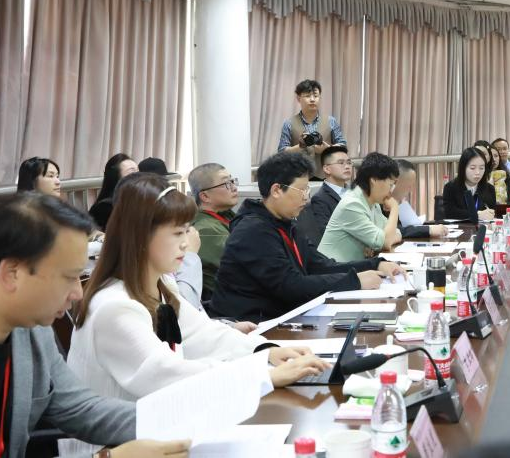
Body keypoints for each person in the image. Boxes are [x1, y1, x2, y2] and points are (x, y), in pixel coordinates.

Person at [63, 175, 327, 454]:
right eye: (177, 233)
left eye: (187, 231)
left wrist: (265, 351)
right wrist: (261, 374)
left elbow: (203, 334)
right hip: (113, 449)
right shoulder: (114, 307)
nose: (186, 244)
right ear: (140, 236)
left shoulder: (161, 285)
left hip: (158, 432)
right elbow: (165, 375)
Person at [0, 193, 190, 457]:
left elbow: (81, 407)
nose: (78, 293)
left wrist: (180, 419)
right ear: (12, 273)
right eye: (70, 277)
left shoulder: (30, 327)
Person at [210, 153, 403, 321]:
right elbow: (290, 286)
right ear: (276, 190)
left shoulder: (286, 224)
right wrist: (354, 281)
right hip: (253, 326)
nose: (306, 197)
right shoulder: (253, 231)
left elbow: (320, 265)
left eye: (307, 190)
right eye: (301, 190)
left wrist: (375, 264)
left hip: (283, 317)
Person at [318, 153, 404, 263]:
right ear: (374, 180)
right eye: (390, 185)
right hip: (334, 269)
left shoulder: (373, 202)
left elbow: (394, 233)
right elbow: (386, 241)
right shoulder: (352, 204)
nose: (391, 191)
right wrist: (395, 208)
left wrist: (384, 240)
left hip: (353, 266)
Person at [187, 162, 239, 299]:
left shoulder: (225, 216)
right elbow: (243, 268)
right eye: (226, 183)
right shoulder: (206, 230)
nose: (234, 187)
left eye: (232, 181)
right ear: (205, 196)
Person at [277, 79, 346, 178]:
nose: (312, 99)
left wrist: (327, 149)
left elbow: (343, 146)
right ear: (298, 98)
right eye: (308, 96)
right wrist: (300, 146)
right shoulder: (289, 123)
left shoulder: (331, 121)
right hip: (298, 177)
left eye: (316, 96)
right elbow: (281, 153)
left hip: (327, 176)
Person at [296, 145, 352, 248]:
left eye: (349, 162)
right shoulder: (320, 199)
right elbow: (327, 236)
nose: (347, 166)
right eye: (341, 163)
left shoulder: (355, 193)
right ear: (326, 169)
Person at [392, 159, 448, 239]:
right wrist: (428, 230)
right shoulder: (380, 203)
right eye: (409, 185)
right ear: (395, 182)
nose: (410, 190)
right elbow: (395, 231)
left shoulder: (392, 202)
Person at [442, 148, 497, 222]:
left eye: (481, 168)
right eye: (472, 168)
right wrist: (476, 214)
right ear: (463, 168)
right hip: (459, 227)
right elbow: (450, 213)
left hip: (483, 228)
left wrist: (490, 214)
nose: (477, 172)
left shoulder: (490, 189)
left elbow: (491, 212)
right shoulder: (450, 187)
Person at [88, 153, 139, 230]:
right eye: (132, 172)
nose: (140, 176)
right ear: (116, 178)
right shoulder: (105, 208)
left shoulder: (138, 200)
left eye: (138, 171)